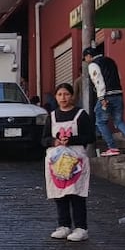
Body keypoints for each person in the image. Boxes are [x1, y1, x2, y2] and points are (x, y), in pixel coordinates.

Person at [41, 82, 95, 241]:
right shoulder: (51, 116)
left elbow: (90, 136)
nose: (63, 98)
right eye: (59, 95)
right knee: (60, 194)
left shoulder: (81, 115)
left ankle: (81, 227)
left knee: (77, 193)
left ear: (72, 96)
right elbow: (43, 139)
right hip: (57, 162)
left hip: (76, 161)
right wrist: (54, 142)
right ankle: (63, 225)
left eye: (66, 94)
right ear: (56, 97)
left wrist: (72, 140)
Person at [82, 46, 125, 156]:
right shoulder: (111, 61)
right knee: (118, 121)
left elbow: (98, 81)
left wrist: (101, 98)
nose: (86, 61)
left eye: (85, 58)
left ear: (88, 56)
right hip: (118, 94)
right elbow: (119, 77)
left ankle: (112, 147)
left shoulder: (93, 64)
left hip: (106, 95)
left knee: (100, 122)